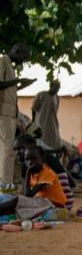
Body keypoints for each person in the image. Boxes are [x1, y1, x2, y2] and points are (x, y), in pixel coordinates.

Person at [1, 43, 35, 185]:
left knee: (6, 151)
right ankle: (4, 185)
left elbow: (7, 90)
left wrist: (21, 85)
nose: (24, 61)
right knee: (8, 151)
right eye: (24, 57)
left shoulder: (10, 65)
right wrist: (19, 81)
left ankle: (5, 184)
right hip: (3, 113)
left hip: (9, 113)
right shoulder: (3, 61)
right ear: (17, 50)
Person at [31, 80, 61, 151]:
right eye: (56, 87)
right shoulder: (41, 95)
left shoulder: (57, 98)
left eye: (59, 88)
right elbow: (34, 109)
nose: (57, 89)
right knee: (41, 139)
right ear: (51, 86)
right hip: (40, 122)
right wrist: (33, 121)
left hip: (52, 124)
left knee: (53, 140)